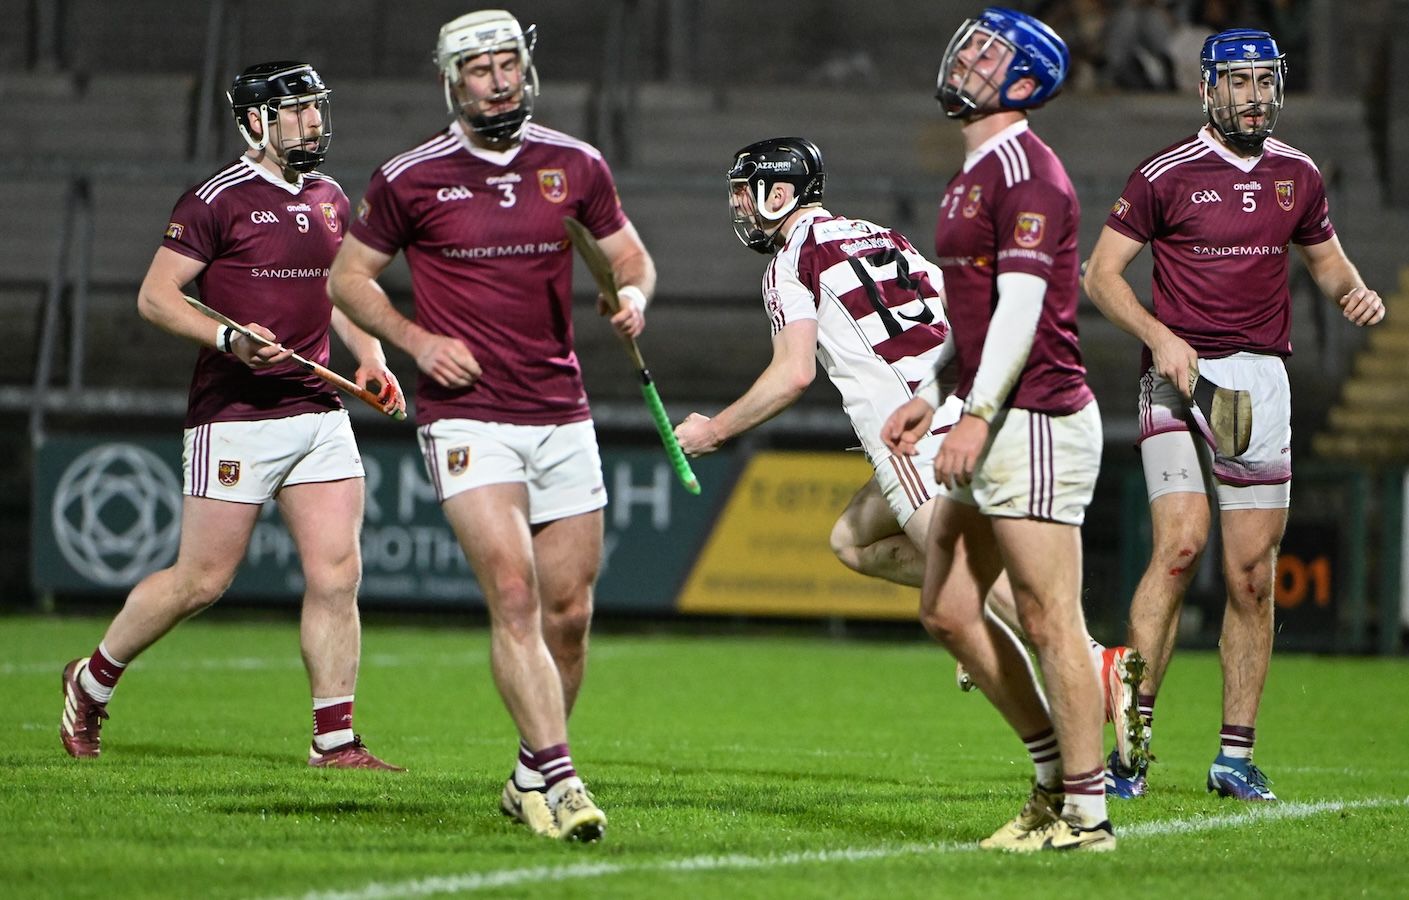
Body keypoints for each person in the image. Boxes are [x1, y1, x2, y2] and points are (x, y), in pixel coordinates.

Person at [674, 137, 1139, 733]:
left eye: (746, 193)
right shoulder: (879, 234)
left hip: (912, 432)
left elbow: (793, 373)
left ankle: (1096, 668)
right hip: (968, 404)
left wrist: (714, 430)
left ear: (780, 193)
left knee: (967, 580)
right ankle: (1015, 635)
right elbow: (959, 314)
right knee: (851, 541)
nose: (739, 206)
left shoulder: (790, 260)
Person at [327, 10, 655, 842]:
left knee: (569, 612)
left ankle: (525, 775)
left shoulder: (574, 163)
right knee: (513, 593)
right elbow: (348, 279)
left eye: (509, 64)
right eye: (481, 69)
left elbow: (629, 255)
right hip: (468, 415)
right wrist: (415, 341)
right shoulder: (410, 177)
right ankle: (565, 778)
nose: (499, 80)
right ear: (451, 81)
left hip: (561, 411)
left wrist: (633, 297)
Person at [60, 61, 406, 770]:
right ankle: (91, 681)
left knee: (338, 574)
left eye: (318, 107)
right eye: (299, 110)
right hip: (237, 412)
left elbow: (340, 294)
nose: (314, 122)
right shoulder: (216, 198)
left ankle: (334, 741)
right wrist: (228, 338)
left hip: (317, 407)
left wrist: (371, 359)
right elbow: (157, 297)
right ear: (255, 121)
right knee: (202, 582)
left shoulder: (332, 196)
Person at [1083, 29, 1385, 801]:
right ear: (1206, 90)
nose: (1252, 95)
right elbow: (1100, 276)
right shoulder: (1163, 175)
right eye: (1237, 82)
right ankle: (1130, 752)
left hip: (1259, 386)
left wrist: (1352, 291)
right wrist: (1159, 337)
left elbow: (1325, 261)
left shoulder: (1299, 175)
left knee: (1252, 578)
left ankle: (1234, 757)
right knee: (1180, 548)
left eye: (1263, 81)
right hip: (1175, 379)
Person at [883, 8, 1114, 851]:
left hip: (1037, 417)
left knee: (1052, 619)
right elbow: (974, 312)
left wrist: (973, 416)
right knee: (946, 610)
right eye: (971, 43)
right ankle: (1053, 778)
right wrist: (933, 384)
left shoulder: (1027, 171)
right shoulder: (973, 169)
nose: (967, 57)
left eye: (989, 51)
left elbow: (1021, 308)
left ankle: (1086, 814)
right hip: (993, 407)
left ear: (1026, 80)